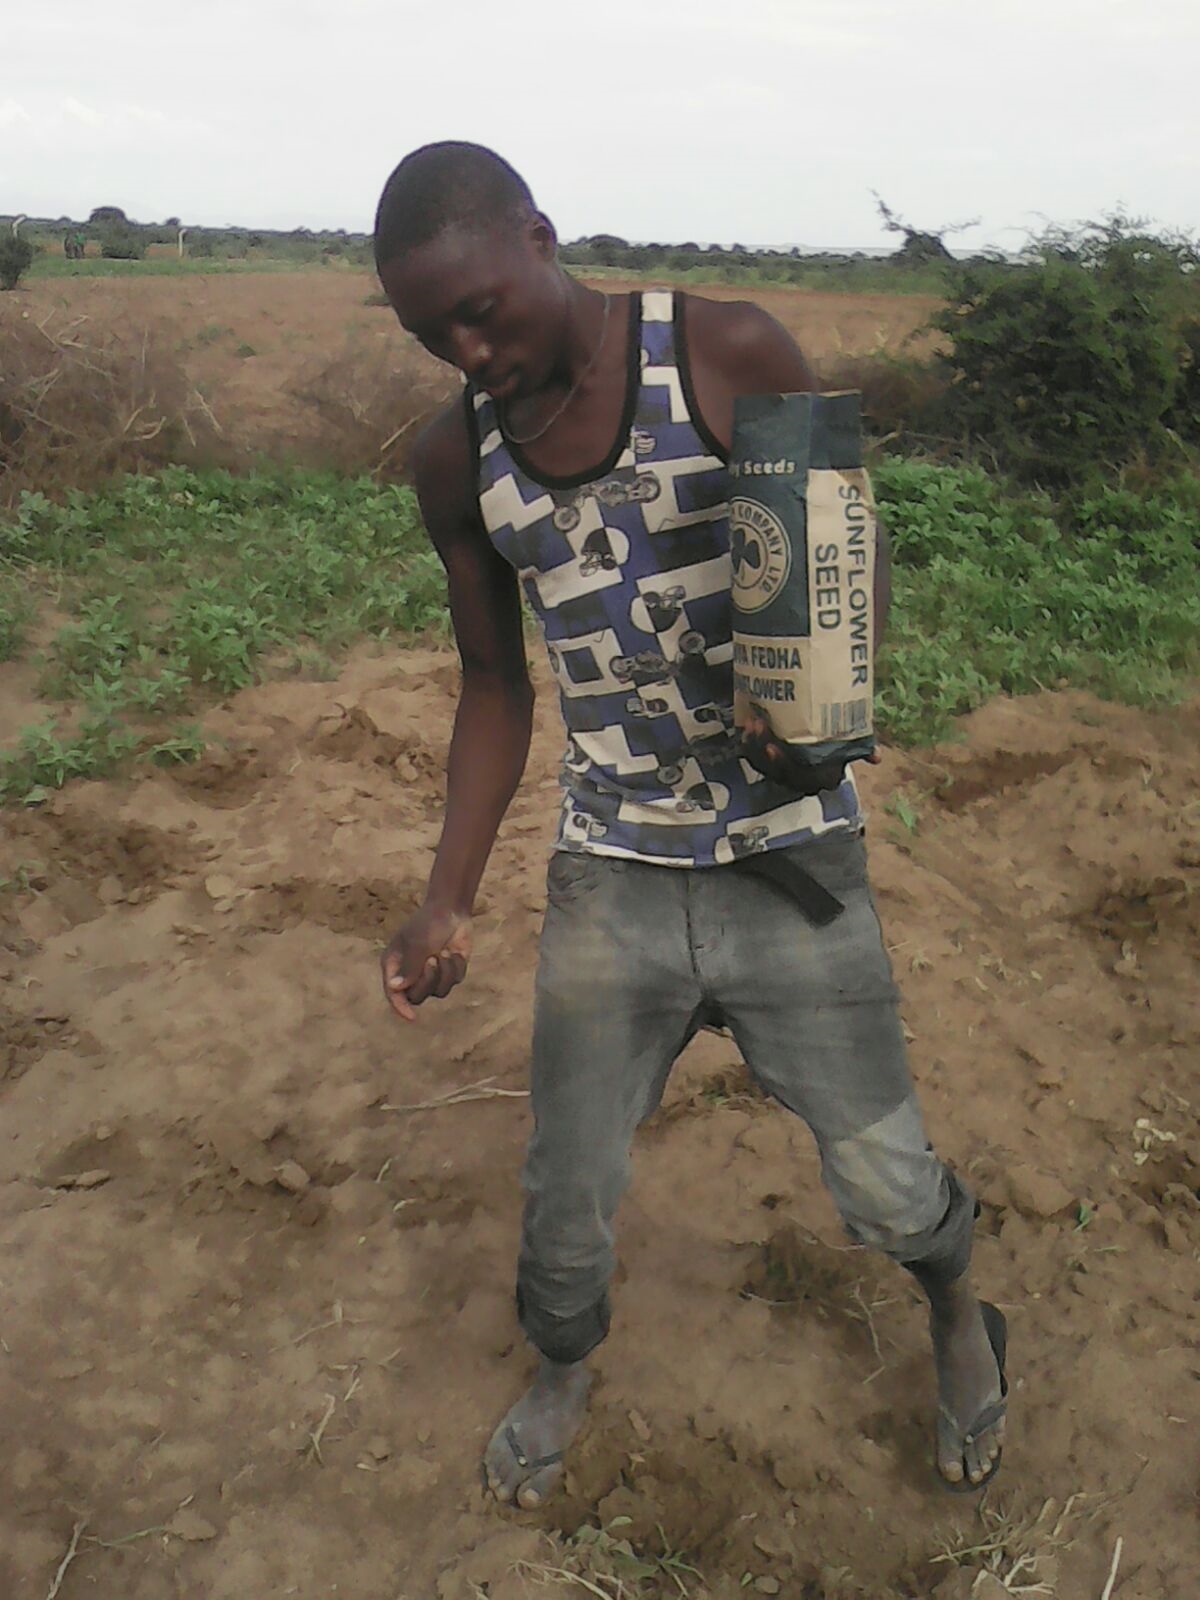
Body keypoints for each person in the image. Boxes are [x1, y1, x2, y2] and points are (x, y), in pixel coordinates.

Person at [373, 142, 1008, 1509]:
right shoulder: (457, 461)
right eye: (434, 335)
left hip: (794, 856)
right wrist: (447, 897)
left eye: (481, 310)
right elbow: (495, 684)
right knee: (567, 1180)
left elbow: (847, 557)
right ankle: (561, 1363)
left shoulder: (720, 351)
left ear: (541, 235)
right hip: (616, 870)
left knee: (889, 1180)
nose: (469, 352)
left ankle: (958, 1308)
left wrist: (824, 700)